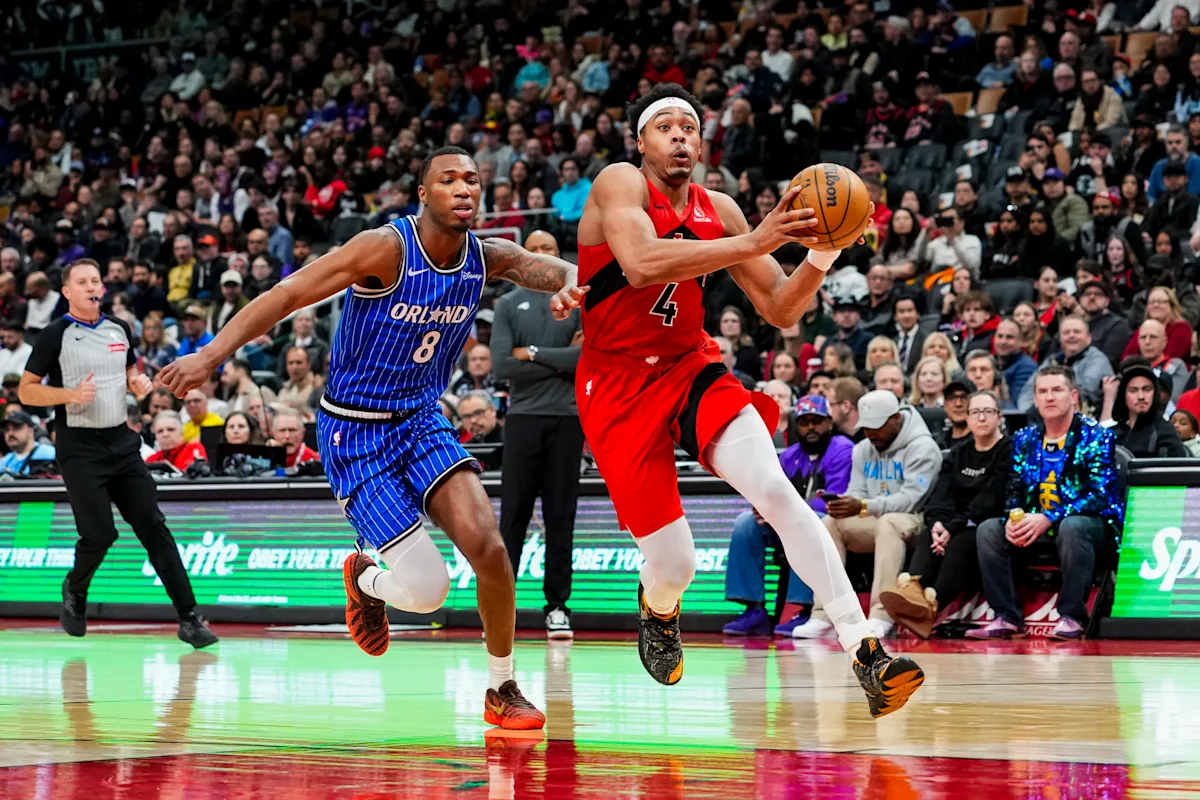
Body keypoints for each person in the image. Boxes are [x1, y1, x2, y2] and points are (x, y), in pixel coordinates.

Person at [161, 146, 590, 731]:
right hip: (356, 431)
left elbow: (548, 268)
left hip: (421, 420)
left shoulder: (485, 258)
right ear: (423, 193)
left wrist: (570, 280)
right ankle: (365, 576)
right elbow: (286, 295)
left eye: (472, 180)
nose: (464, 189)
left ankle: (501, 687)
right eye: (448, 180)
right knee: (430, 592)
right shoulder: (385, 248)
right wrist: (211, 355)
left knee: (490, 548)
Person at [573, 83, 922, 716]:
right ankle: (658, 604)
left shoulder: (723, 210)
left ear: (702, 144)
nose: (680, 136)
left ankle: (866, 652)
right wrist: (759, 240)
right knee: (675, 562)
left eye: (690, 128)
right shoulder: (618, 184)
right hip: (617, 383)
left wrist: (822, 252)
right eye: (665, 127)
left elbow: (782, 309)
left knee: (777, 491)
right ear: (641, 141)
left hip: (689, 365)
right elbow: (644, 262)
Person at [18, 259, 217, 648]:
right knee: (100, 534)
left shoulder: (121, 329)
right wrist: (69, 395)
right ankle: (75, 589)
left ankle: (190, 618)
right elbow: (26, 391)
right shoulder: (54, 335)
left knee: (154, 528)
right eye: (82, 281)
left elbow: (128, 375)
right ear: (68, 292)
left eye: (96, 280)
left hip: (121, 443)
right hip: (78, 447)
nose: (92, 286)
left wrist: (138, 383)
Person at [969, 365, 1123, 640]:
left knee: (1072, 526)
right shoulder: (1024, 439)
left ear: (1073, 396)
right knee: (989, 530)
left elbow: (1100, 496)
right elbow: (1013, 490)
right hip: (1037, 525)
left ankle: (1072, 616)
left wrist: (1050, 517)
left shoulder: (1098, 436)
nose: (1049, 397)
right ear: (1036, 399)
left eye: (1057, 390)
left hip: (1091, 528)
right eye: (1043, 391)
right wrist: (1011, 520)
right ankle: (1006, 615)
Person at [491, 230, 585, 639]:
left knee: (561, 517)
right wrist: (560, 360)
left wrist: (530, 352)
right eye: (536, 250)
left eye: (549, 249)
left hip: (567, 418)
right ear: (526, 257)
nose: (543, 255)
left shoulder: (578, 304)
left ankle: (558, 606)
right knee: (513, 516)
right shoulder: (508, 304)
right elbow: (501, 367)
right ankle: (501, 607)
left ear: (558, 257)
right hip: (524, 418)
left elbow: (585, 359)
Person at [790, 390, 942, 640]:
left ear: (895, 418)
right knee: (829, 523)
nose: (871, 433)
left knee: (889, 522)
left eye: (877, 427)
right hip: (876, 518)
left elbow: (910, 499)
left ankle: (882, 615)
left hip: (917, 521)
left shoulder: (923, 448)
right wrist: (843, 505)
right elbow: (857, 491)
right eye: (867, 427)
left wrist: (862, 506)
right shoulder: (863, 448)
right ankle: (825, 614)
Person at [881, 390, 1012, 638]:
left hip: (984, 523)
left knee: (964, 539)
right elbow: (940, 494)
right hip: (953, 523)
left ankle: (931, 607)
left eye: (988, 412)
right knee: (928, 532)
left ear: (999, 417)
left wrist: (953, 527)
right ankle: (912, 589)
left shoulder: (1008, 449)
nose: (981, 418)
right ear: (968, 418)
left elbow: (991, 498)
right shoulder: (959, 452)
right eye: (975, 412)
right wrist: (939, 523)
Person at [722, 395, 855, 637]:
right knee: (746, 523)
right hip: (785, 521)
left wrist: (784, 511)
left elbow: (835, 500)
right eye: (804, 422)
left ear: (829, 423)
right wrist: (763, 507)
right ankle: (755, 610)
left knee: (807, 522)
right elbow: (770, 490)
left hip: (825, 522)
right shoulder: (789, 455)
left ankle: (802, 610)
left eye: (817, 421)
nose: (811, 427)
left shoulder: (843, 449)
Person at [1019, 315, 1114, 411]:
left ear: (1088, 338)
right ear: (1060, 338)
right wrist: (1027, 414)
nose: (1071, 335)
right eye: (1066, 332)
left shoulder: (1097, 360)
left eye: (1077, 332)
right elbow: (1029, 390)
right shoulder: (1052, 360)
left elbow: (1085, 393)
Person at [1100, 364, 1188, 456]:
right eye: (1133, 390)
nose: (1141, 397)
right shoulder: (1110, 435)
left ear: (1155, 393)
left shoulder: (1166, 434)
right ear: (1123, 396)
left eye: (1147, 389)